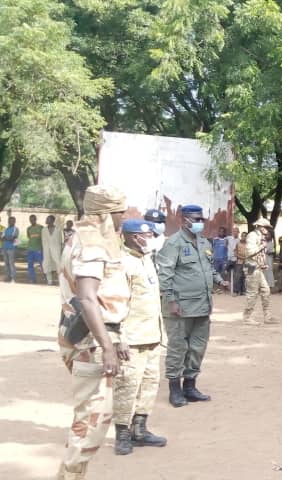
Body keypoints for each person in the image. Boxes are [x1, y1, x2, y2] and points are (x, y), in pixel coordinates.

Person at [54, 185, 130, 479]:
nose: (123, 218)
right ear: (106, 214)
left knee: (89, 419)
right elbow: (87, 298)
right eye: (120, 212)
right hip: (90, 343)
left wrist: (116, 337)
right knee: (91, 424)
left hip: (91, 337)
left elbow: (103, 298)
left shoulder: (82, 237)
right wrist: (107, 346)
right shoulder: (92, 244)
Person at [157, 204, 228, 408]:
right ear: (184, 220)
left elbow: (209, 267)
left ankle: (190, 386)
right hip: (180, 307)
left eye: (201, 219)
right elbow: (165, 274)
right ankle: (175, 389)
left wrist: (219, 279)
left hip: (202, 305)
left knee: (197, 348)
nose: (199, 223)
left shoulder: (204, 241)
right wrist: (171, 300)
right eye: (195, 219)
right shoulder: (174, 243)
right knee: (178, 348)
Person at [113, 219, 168, 456]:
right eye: (149, 235)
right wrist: (119, 337)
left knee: (149, 384)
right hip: (132, 339)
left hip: (152, 335)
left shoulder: (145, 260)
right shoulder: (122, 263)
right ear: (136, 237)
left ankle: (140, 428)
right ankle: (122, 434)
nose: (152, 238)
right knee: (127, 386)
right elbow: (116, 305)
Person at [243, 218, 276, 325]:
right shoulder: (252, 236)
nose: (268, 229)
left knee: (266, 290)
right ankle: (247, 317)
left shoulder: (261, 237)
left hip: (258, 268)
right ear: (260, 227)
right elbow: (250, 252)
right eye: (266, 227)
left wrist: (263, 264)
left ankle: (267, 316)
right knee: (252, 293)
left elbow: (259, 255)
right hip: (252, 268)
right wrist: (262, 246)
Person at [42, 215, 64, 285]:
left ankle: (61, 281)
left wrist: (61, 250)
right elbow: (43, 240)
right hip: (46, 250)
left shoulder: (58, 229)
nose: (46, 220)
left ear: (52, 220)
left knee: (58, 264)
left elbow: (61, 241)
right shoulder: (43, 230)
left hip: (56, 249)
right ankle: (49, 281)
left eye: (47, 219)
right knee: (47, 264)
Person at [24, 214, 43, 283]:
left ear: (35, 219)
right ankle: (32, 278)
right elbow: (29, 237)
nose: (31, 220)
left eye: (33, 219)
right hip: (30, 249)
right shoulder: (28, 228)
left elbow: (43, 238)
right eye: (30, 219)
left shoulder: (41, 227)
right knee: (30, 264)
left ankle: (47, 277)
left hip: (38, 249)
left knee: (42, 264)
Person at [3, 216, 19, 282]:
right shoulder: (5, 229)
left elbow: (13, 238)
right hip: (5, 248)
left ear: (14, 221)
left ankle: (13, 278)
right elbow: (1, 238)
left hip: (12, 248)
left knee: (11, 263)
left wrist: (6, 238)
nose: (10, 222)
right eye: (9, 220)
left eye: (12, 221)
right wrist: (8, 238)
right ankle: (8, 276)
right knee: (6, 263)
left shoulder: (16, 229)